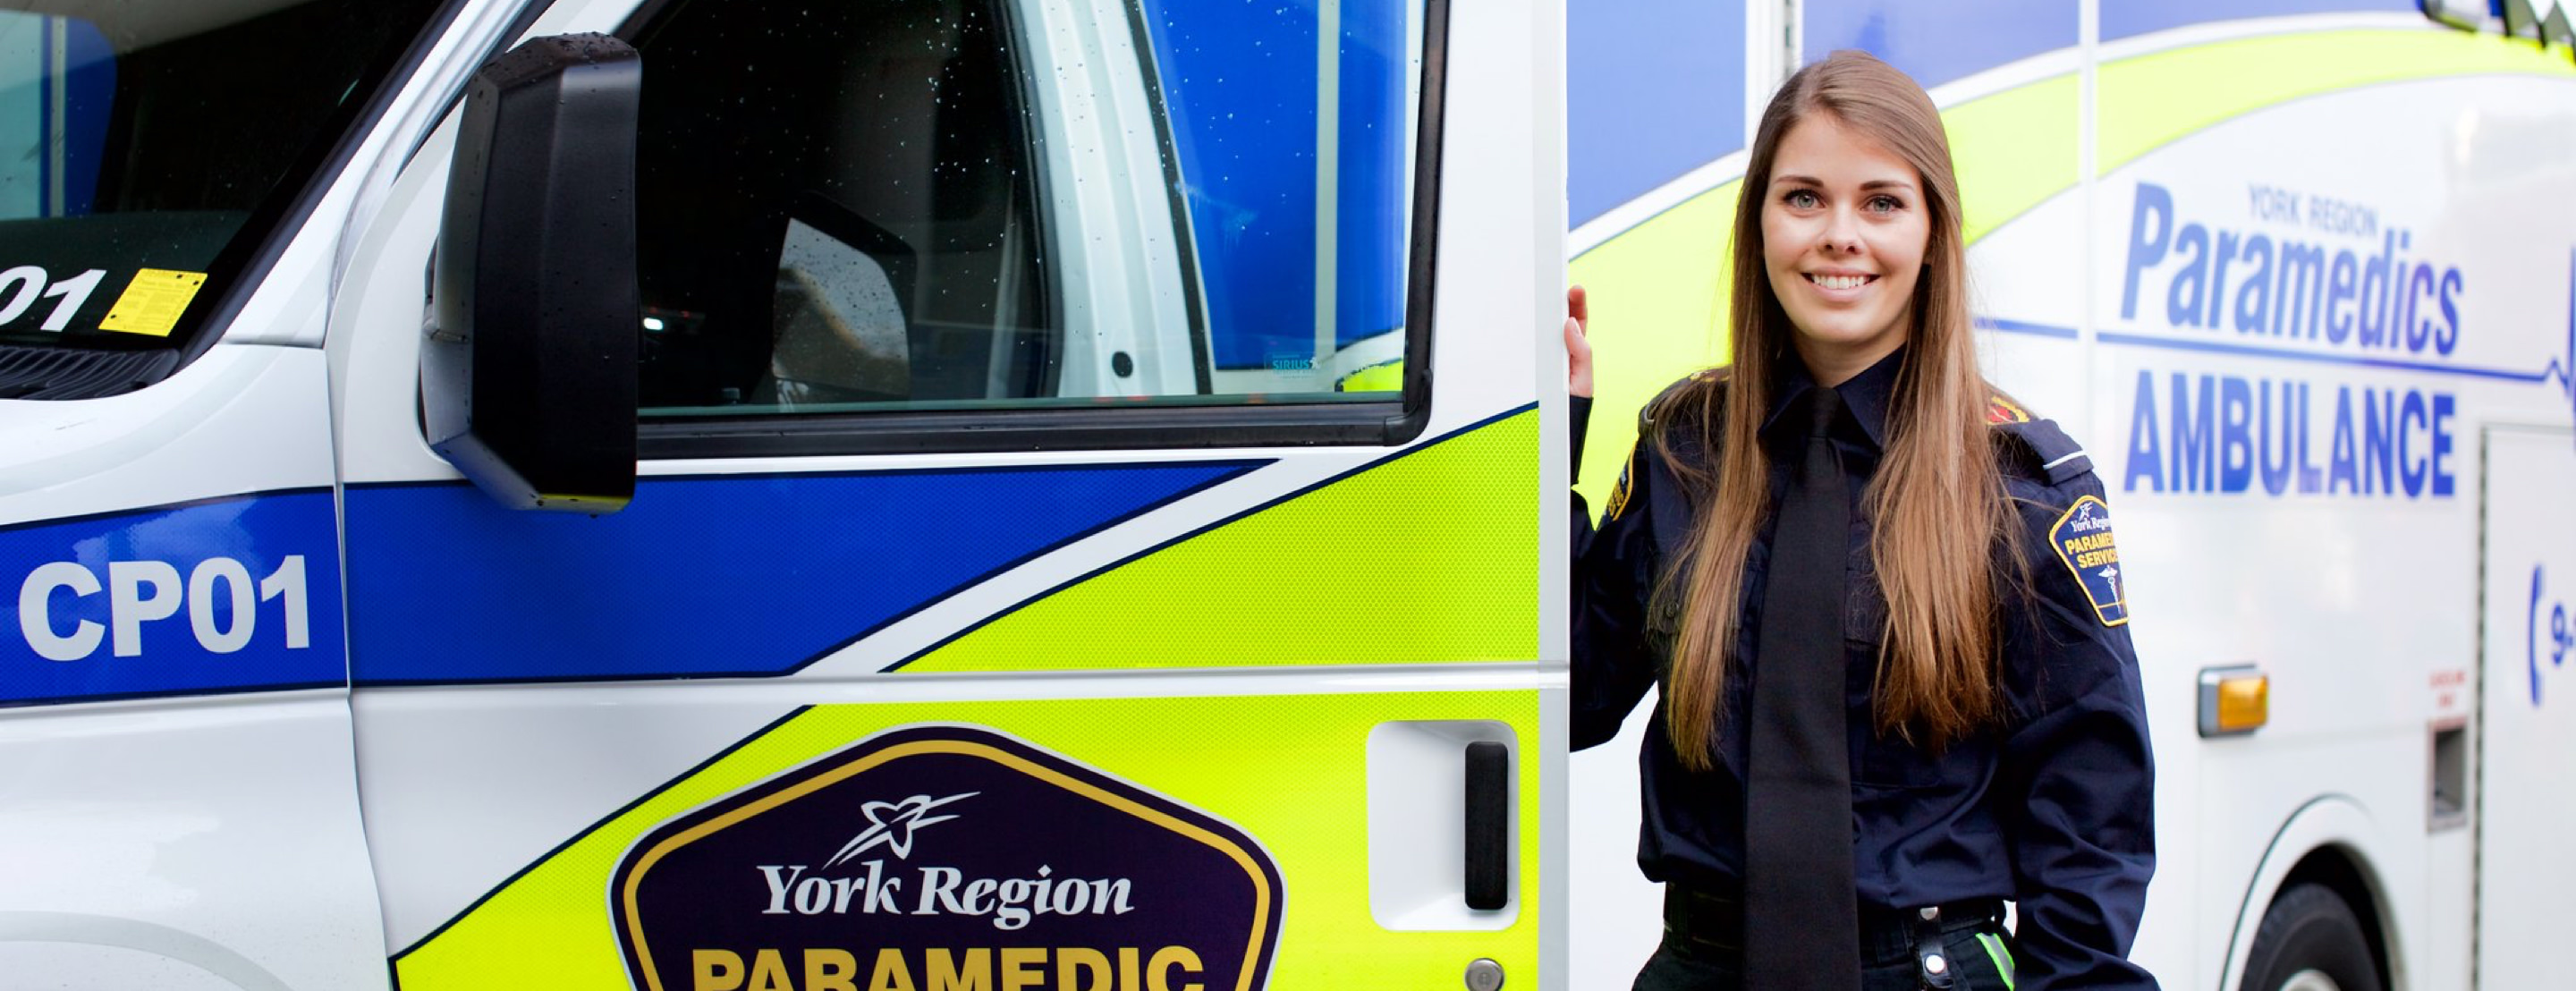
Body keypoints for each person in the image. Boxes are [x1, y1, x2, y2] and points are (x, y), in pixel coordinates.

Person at [1564, 51, 2157, 991]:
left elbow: (2090, 817)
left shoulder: (2021, 489)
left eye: (1882, 202)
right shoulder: (1685, 451)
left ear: (1932, 235)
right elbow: (1571, 696)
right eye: (1804, 198)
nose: (1840, 234)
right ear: (1759, 222)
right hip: (1703, 968)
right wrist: (1546, 441)